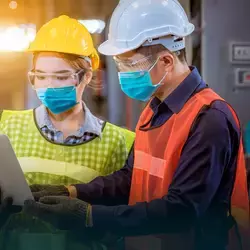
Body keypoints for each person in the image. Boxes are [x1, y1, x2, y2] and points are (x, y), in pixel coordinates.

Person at [23, 1, 249, 250]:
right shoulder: (153, 110)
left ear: (166, 61)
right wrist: (73, 192)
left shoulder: (209, 118)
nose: (122, 74)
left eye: (129, 64)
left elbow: (182, 209)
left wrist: (89, 216)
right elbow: (131, 177)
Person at [0, 15, 134, 250]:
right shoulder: (6, 126)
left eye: (60, 77)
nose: (48, 85)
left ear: (87, 76)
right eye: (40, 76)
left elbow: (122, 223)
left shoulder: (120, 142)